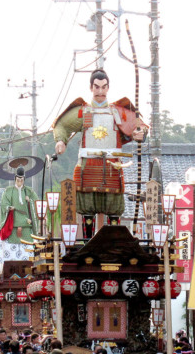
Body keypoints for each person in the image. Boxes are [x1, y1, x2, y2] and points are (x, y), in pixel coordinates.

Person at [53, 68, 148, 237]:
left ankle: (112, 245)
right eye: (96, 87)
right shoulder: (83, 111)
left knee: (113, 210)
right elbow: (61, 125)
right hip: (87, 166)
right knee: (87, 210)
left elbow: (140, 127)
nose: (100, 91)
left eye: (104, 87)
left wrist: (139, 134)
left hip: (112, 167)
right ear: (91, 88)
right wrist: (61, 140)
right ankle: (89, 244)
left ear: (108, 88)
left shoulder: (118, 111)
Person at [0, 165, 41, 261]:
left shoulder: (29, 191)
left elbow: (37, 204)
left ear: (24, 179)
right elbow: (4, 205)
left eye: (22, 180)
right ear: (15, 179)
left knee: (27, 256)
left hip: (26, 228)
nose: (20, 182)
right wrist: (9, 208)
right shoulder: (8, 191)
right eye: (18, 180)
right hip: (12, 229)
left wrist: (30, 202)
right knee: (10, 258)